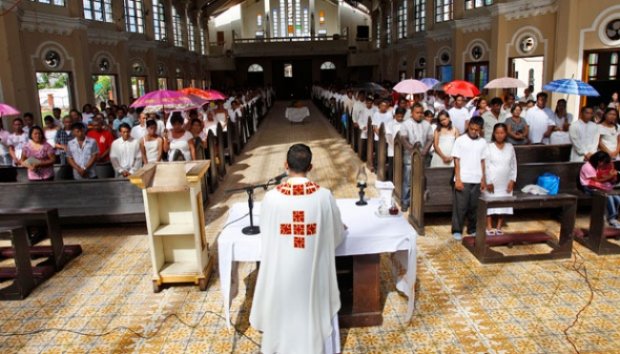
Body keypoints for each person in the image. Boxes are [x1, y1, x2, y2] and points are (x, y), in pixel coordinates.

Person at [250, 144, 344, 354]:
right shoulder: (324, 196)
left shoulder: (272, 197)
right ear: (310, 166)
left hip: (282, 273)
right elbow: (336, 235)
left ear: (286, 165)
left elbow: (267, 234)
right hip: (313, 273)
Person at [451, 116, 489, 240]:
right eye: (471, 129)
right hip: (463, 178)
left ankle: (472, 228)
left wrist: (483, 179)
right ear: (468, 126)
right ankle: (457, 229)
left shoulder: (483, 142)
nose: (473, 131)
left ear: (480, 129)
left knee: (474, 206)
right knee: (460, 207)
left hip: (476, 178)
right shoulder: (460, 140)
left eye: (476, 130)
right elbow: (457, 160)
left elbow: (483, 161)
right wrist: (458, 178)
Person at [399, 103, 433, 211]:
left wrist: (424, 151)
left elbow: (430, 138)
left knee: (423, 180)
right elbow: (403, 139)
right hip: (409, 157)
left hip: (424, 157)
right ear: (412, 113)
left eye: (421, 112)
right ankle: (405, 201)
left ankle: (420, 201)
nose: (420, 115)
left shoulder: (426, 124)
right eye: (417, 112)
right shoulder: (405, 124)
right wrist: (413, 151)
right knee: (408, 181)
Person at [484, 124, 517, 235]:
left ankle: (499, 226)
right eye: (497, 133)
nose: (499, 135)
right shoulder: (489, 147)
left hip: (506, 181)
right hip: (492, 180)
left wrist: (512, 180)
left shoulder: (510, 147)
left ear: (506, 134)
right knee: (489, 201)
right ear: (494, 133)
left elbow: (513, 165)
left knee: (503, 203)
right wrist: (488, 181)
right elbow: (486, 165)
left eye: (502, 133)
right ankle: (489, 227)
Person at [579, 151, 620, 228]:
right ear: (599, 161)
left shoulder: (597, 166)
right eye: (604, 163)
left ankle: (614, 218)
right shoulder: (588, 167)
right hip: (589, 187)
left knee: (617, 198)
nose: (604, 165)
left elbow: (603, 177)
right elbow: (596, 180)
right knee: (608, 197)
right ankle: (611, 219)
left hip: (599, 187)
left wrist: (613, 176)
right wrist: (610, 176)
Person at [385, 107, 406, 181]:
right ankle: (391, 181)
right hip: (392, 149)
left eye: (402, 116)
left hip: (403, 149)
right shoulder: (390, 124)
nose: (400, 118)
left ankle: (399, 182)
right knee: (392, 167)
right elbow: (388, 136)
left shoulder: (405, 123)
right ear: (395, 115)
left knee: (401, 167)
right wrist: (394, 145)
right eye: (398, 116)